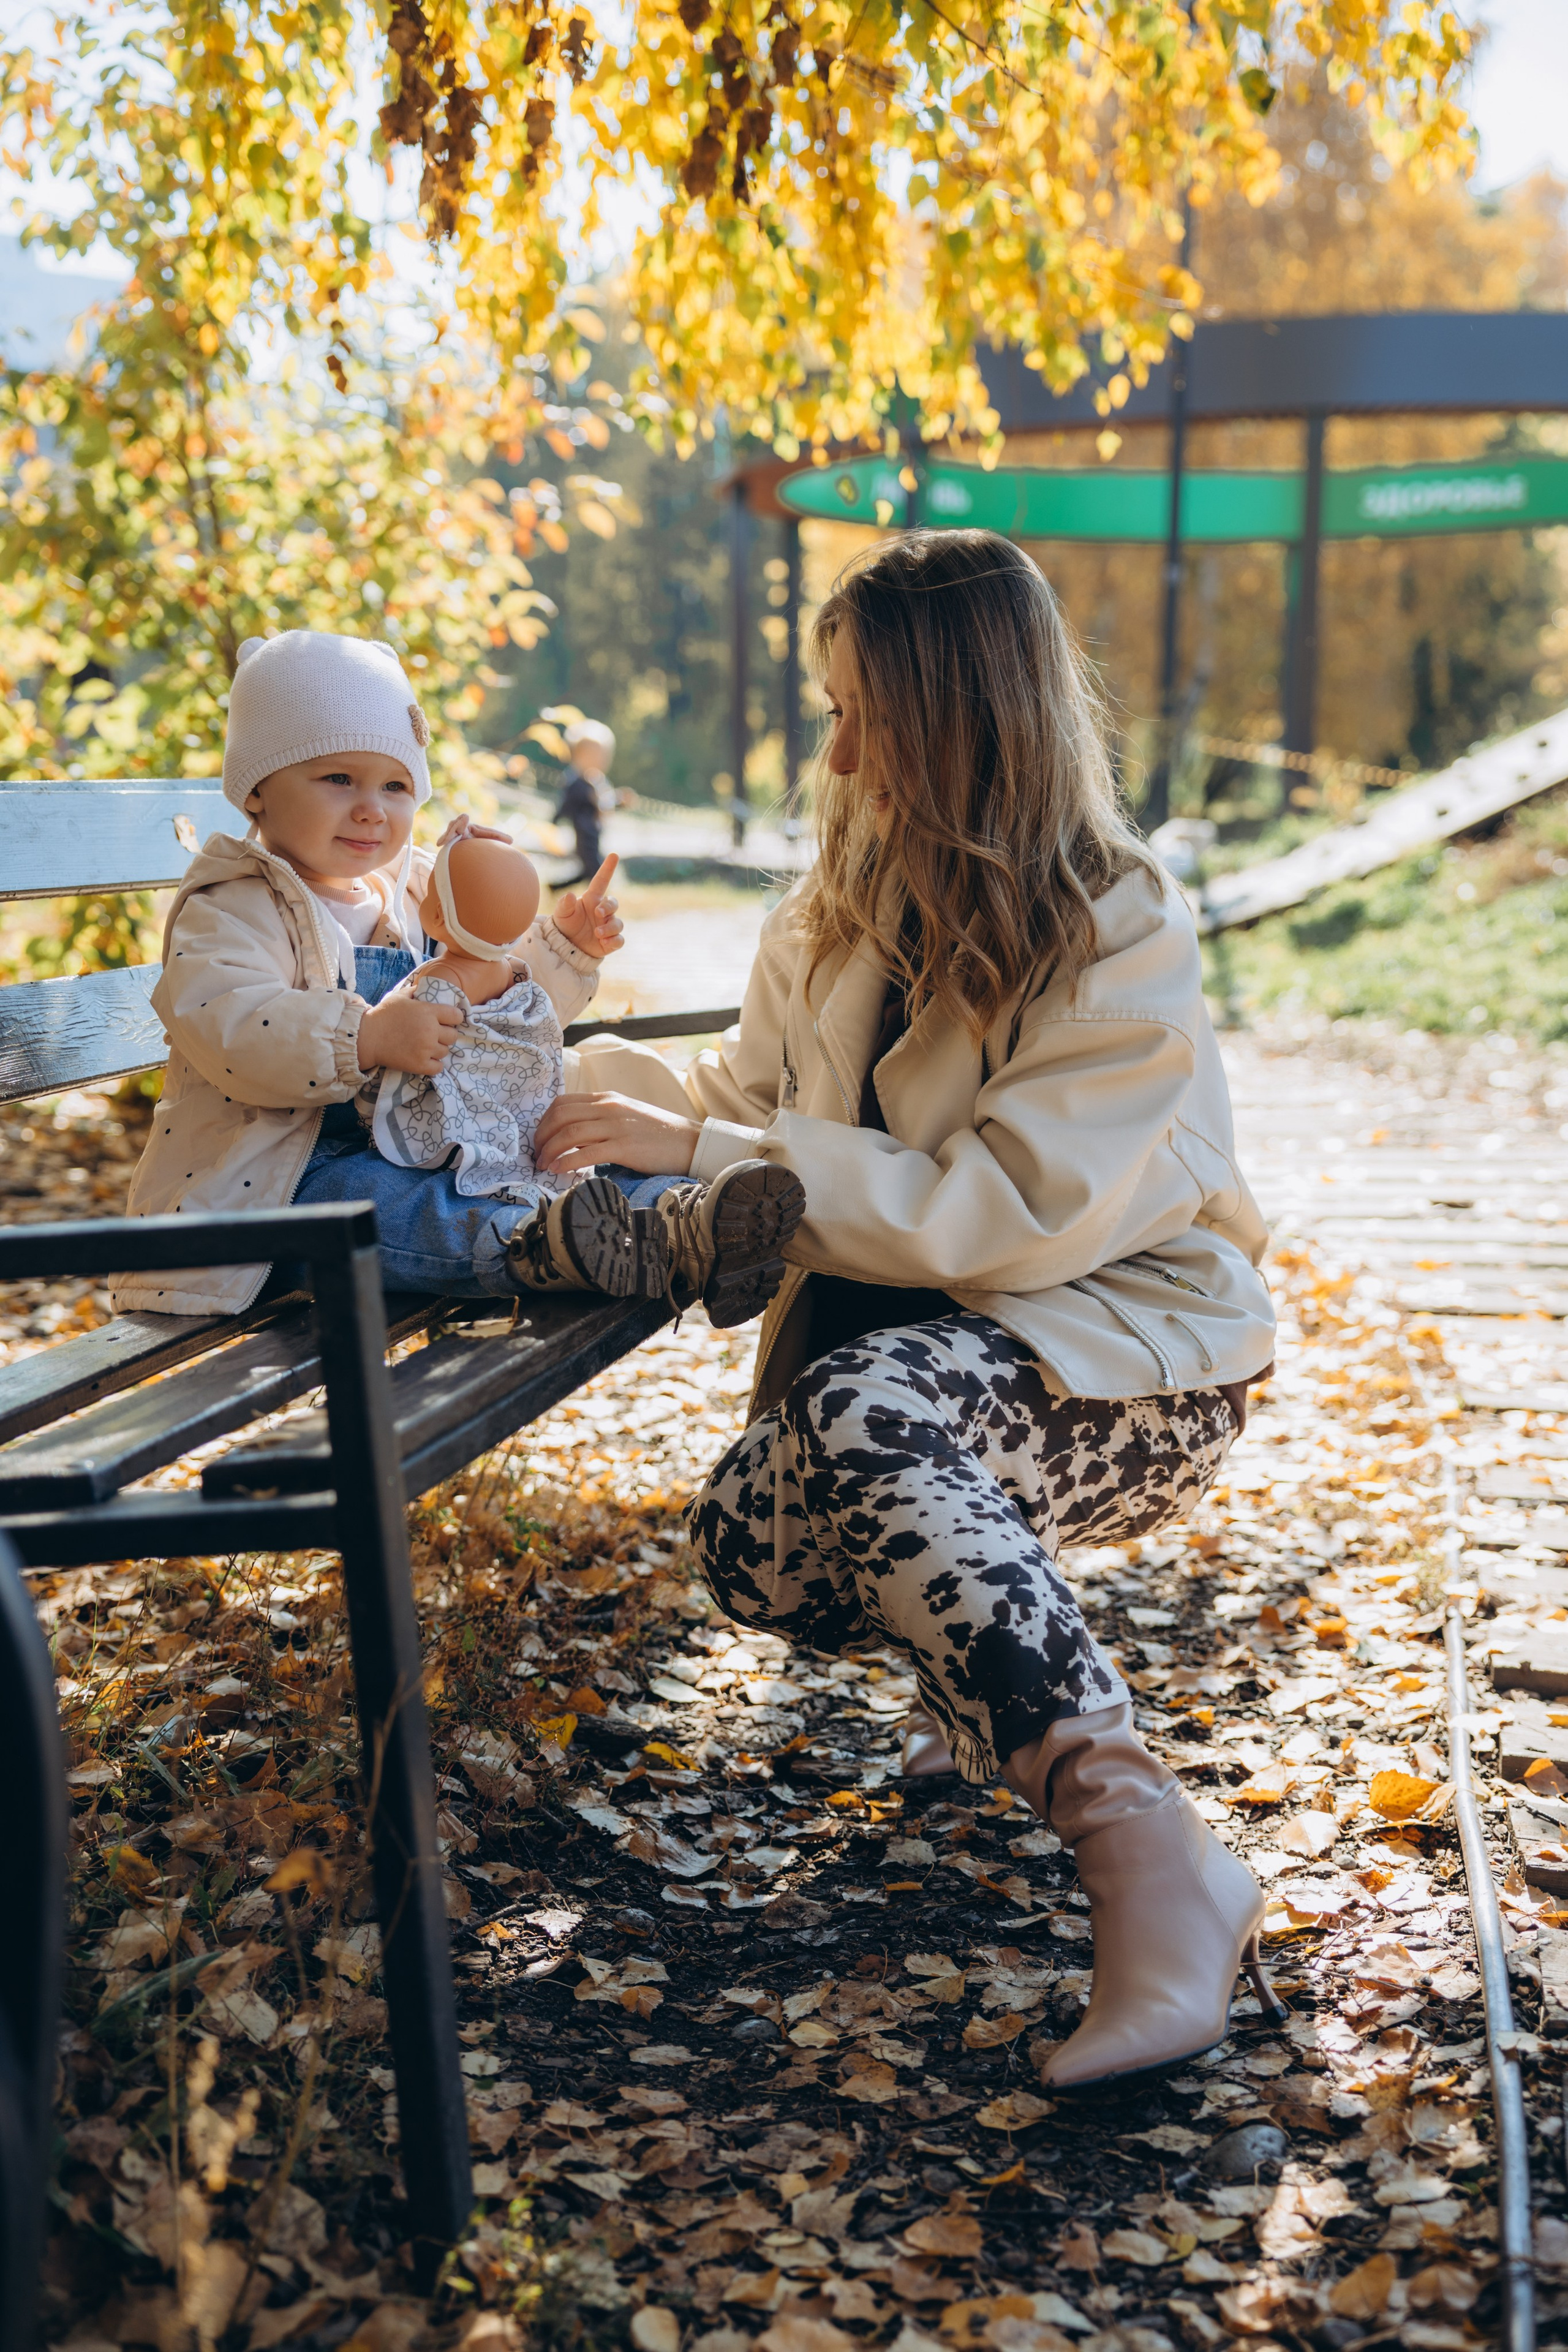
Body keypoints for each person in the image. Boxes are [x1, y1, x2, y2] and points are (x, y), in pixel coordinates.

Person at [528, 532, 1282, 2091]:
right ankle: (971, 1669)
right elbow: (745, 1107)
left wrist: (714, 1146)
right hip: (883, 1372)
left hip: (1119, 1357)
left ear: (954, 711)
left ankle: (1147, 1852)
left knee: (867, 1417)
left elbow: (1002, 1217)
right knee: (749, 1543)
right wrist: (560, 1080)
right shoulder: (833, 907)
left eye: (858, 706)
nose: (837, 746)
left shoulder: (1115, 917)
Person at [113, 631, 803, 1323]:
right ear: (257, 789)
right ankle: (539, 1246)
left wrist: (560, 952)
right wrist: (366, 1038)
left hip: (420, 1140)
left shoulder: (413, 892)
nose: (371, 808)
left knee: (551, 1155)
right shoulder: (233, 905)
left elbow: (486, 1012)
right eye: (337, 780)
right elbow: (232, 1028)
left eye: (395, 785)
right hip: (275, 1189)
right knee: (396, 1208)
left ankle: (679, 1221)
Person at [554, 718, 617, 886]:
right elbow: (566, 804)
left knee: (588, 869)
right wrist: (555, 820)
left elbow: (604, 804)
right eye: (593, 755)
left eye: (602, 755)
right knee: (594, 868)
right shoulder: (576, 782)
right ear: (578, 755)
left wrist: (620, 802)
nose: (598, 760)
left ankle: (556, 887)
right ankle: (597, 897)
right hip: (584, 832)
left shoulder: (597, 781)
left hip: (594, 832)